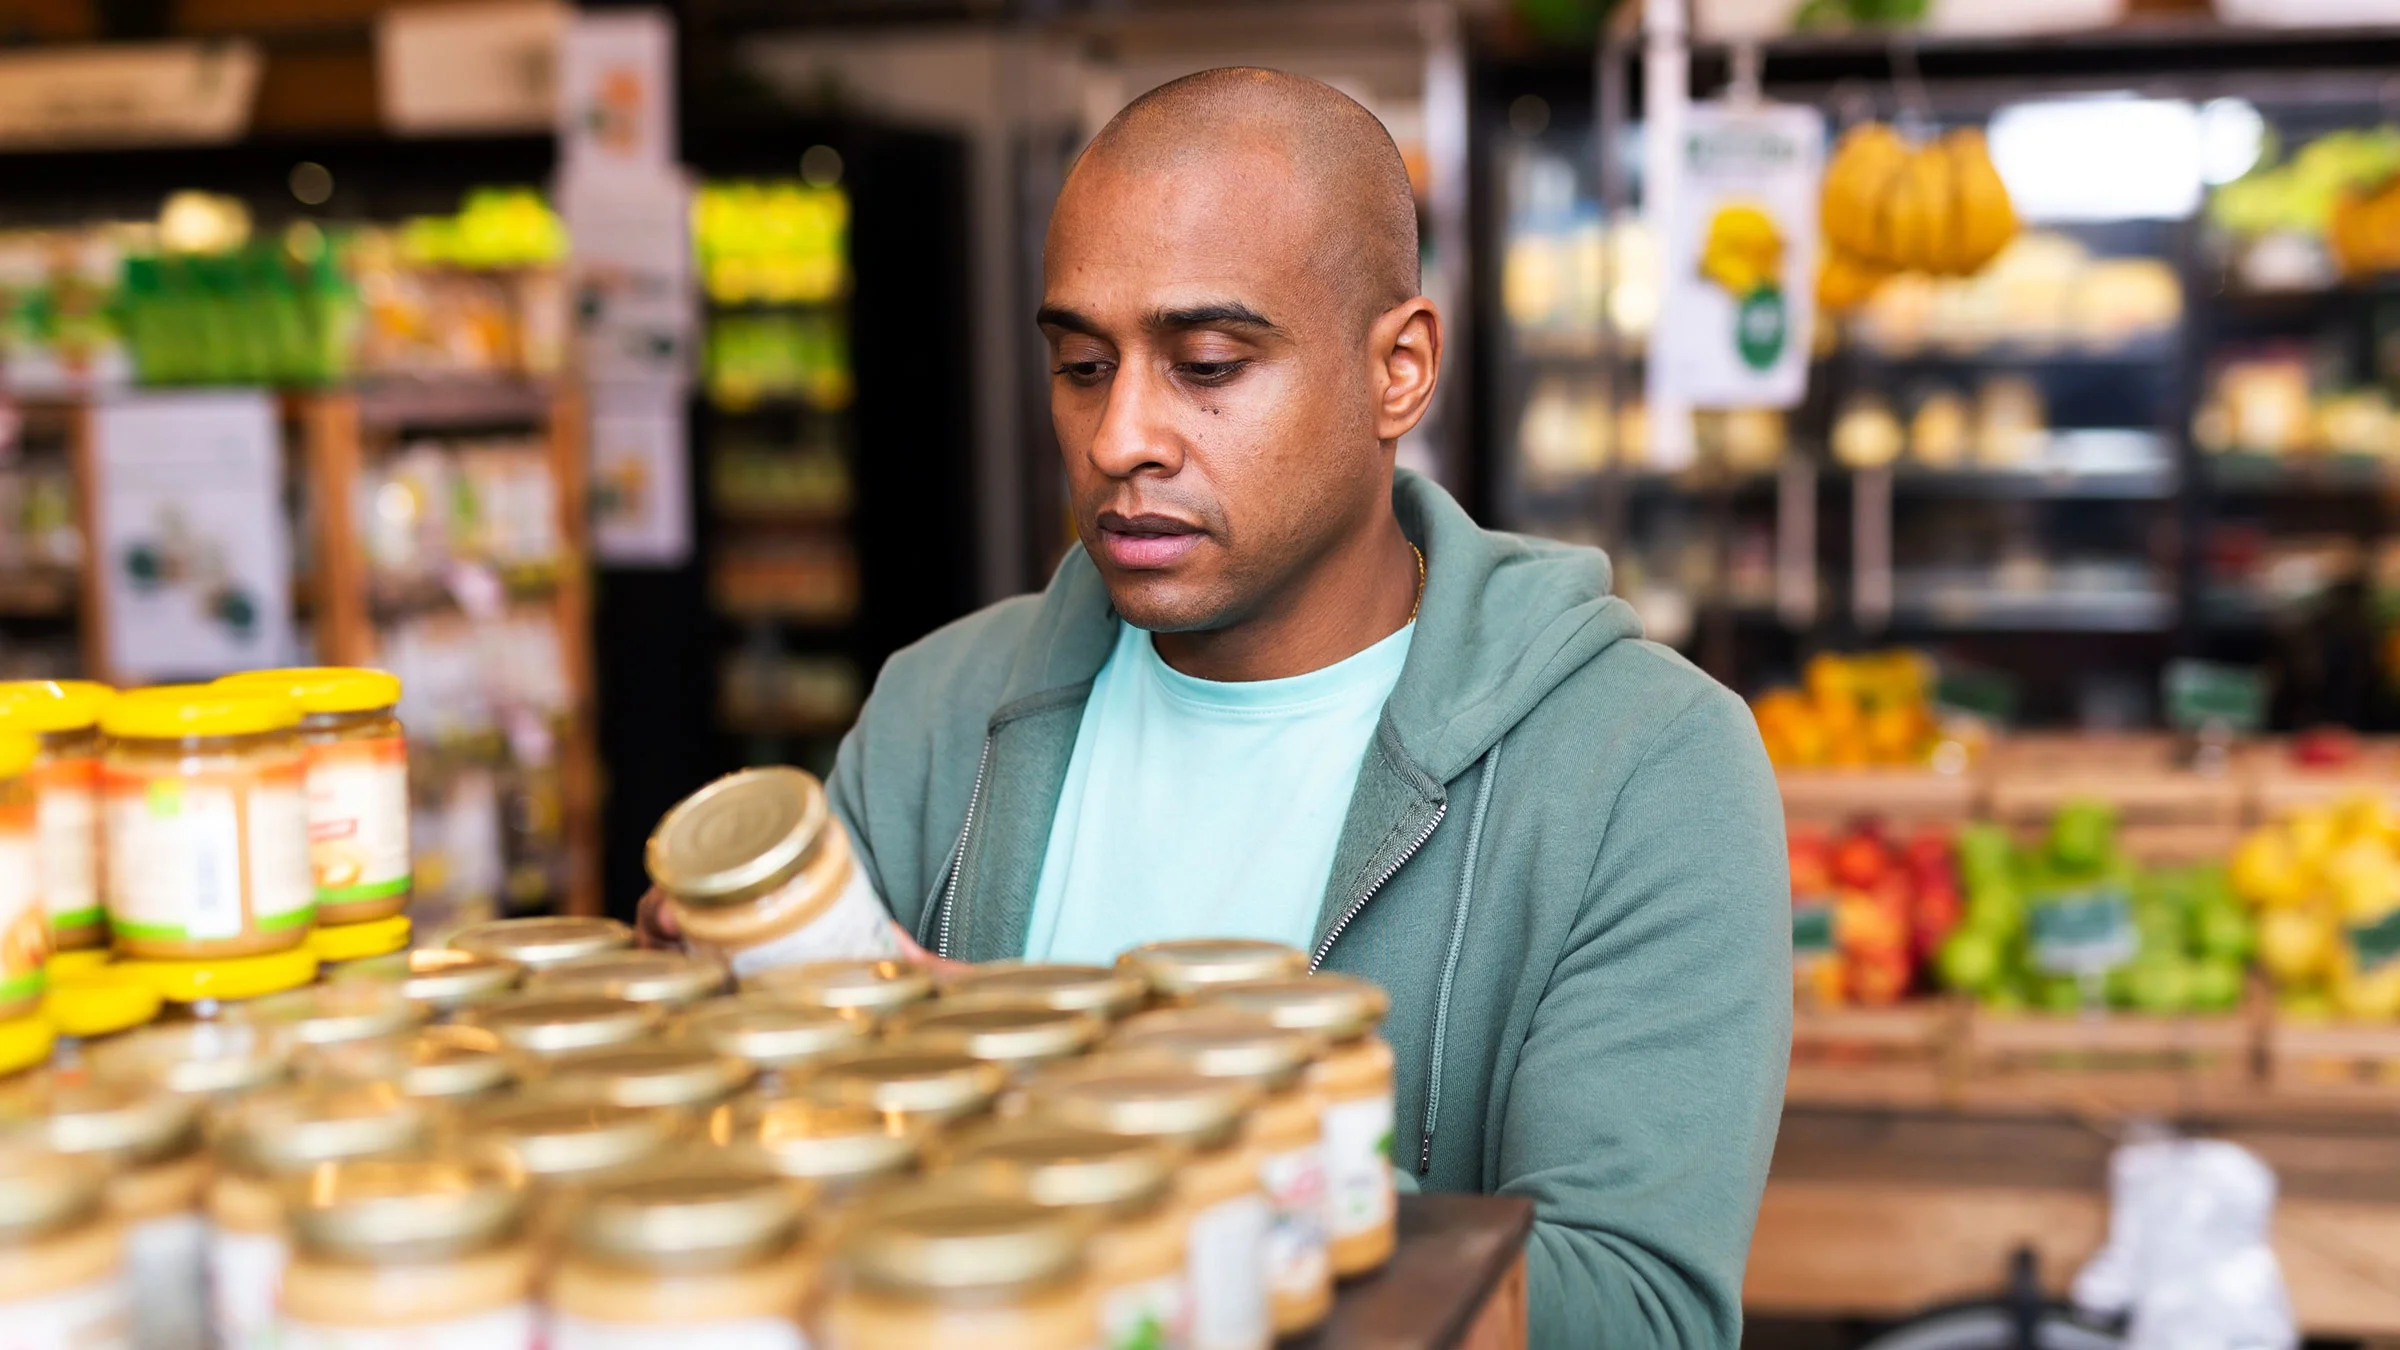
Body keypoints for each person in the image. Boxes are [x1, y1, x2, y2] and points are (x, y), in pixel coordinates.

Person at [648, 67, 1790, 1348]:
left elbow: (1635, 1314)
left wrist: (1100, 1119)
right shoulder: (937, 709)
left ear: (1399, 370)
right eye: (1082, 365)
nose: (1119, 434)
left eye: (1204, 364)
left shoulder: (1642, 766)